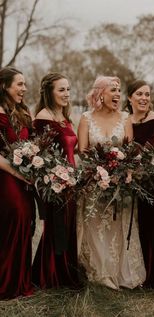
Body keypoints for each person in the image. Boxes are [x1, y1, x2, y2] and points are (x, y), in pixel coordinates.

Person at [76, 75, 146, 290]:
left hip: (120, 182)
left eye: (119, 90)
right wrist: (99, 172)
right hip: (94, 182)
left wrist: (120, 171)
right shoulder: (86, 118)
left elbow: (130, 151)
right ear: (100, 94)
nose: (117, 94)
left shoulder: (126, 118)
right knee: (96, 224)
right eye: (112, 90)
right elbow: (83, 151)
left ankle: (119, 271)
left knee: (117, 224)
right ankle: (100, 271)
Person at [32, 72, 80, 289]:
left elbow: (71, 149)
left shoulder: (65, 117)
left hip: (71, 181)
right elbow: (42, 155)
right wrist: (58, 178)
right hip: (55, 183)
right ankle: (49, 276)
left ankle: (66, 272)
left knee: (68, 226)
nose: (66, 94)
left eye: (68, 89)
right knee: (56, 227)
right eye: (61, 89)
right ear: (49, 92)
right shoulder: (43, 118)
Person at [125, 79, 154, 287]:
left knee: (152, 226)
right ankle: (134, 272)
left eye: (147, 95)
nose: (144, 98)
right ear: (129, 98)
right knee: (134, 226)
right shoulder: (126, 121)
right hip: (130, 183)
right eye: (139, 94)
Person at [0, 67, 35, 299]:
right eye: (19, 84)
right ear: (4, 86)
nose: (23, 88)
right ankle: (6, 283)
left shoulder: (22, 112)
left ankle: (20, 280)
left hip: (25, 178)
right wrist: (20, 174)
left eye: (24, 84)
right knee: (15, 218)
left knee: (26, 221)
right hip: (6, 178)